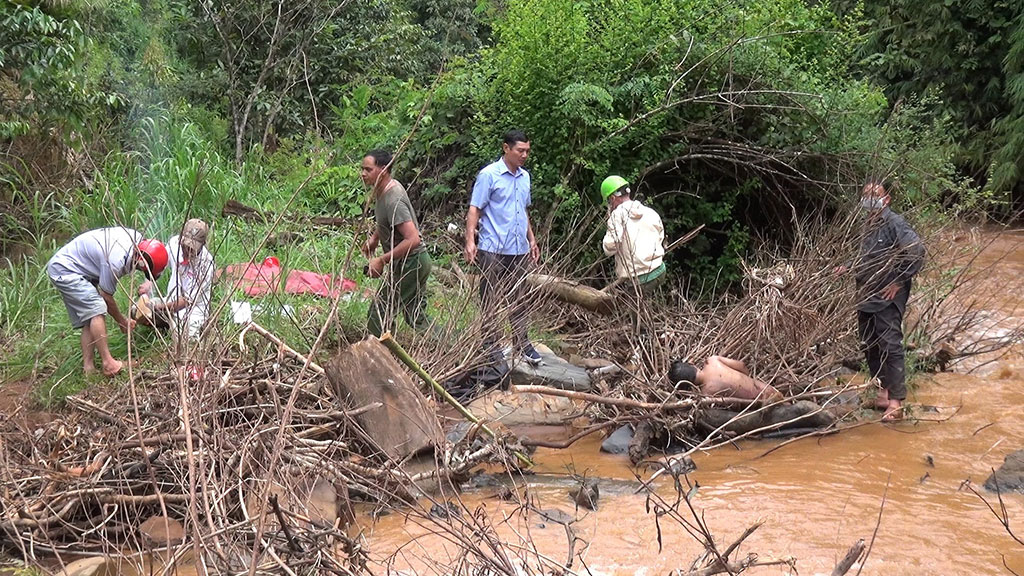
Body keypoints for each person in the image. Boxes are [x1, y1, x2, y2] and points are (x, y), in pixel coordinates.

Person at [464, 130, 542, 365]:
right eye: (520, 151)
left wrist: (531, 239)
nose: (524, 155)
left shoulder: (525, 177)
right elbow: (475, 209)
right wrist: (470, 241)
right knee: (489, 297)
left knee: (519, 297)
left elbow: (522, 210)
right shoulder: (489, 175)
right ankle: (489, 344)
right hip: (492, 246)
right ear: (506, 148)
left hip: (518, 249)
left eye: (527, 151)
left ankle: (523, 343)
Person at [46, 227, 168, 377]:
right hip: (66, 270)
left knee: (89, 318)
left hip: (76, 265)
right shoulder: (115, 261)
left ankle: (88, 368)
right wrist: (122, 321)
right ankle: (109, 364)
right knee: (97, 308)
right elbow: (106, 296)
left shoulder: (138, 241)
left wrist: (148, 282)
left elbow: (149, 258)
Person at [851, 181, 925, 421]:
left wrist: (899, 281)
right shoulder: (865, 225)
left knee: (890, 344)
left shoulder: (895, 223)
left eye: (875, 195)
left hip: (887, 296)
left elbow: (916, 250)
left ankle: (896, 402)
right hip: (865, 294)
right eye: (866, 195)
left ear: (887, 199)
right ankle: (883, 393)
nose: (870, 199)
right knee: (868, 342)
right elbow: (864, 257)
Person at [361, 149, 434, 337]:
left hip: (412, 262)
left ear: (383, 169)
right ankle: (454, 348)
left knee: (378, 315)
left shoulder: (393, 198)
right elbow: (389, 221)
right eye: (362, 169)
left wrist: (382, 260)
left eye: (368, 169)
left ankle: (378, 358)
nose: (363, 174)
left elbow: (413, 238)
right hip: (410, 262)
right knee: (416, 317)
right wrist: (375, 239)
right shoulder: (382, 190)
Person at [136, 218, 215, 342]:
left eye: (192, 249)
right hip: (171, 300)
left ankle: (174, 326)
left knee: (185, 340)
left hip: (193, 310)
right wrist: (148, 282)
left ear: (202, 245)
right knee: (136, 311)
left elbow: (186, 301)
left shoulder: (206, 264)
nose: (187, 251)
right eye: (185, 246)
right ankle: (166, 325)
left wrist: (157, 308)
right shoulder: (174, 244)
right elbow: (160, 264)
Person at [669, 356, 783, 401]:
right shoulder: (713, 361)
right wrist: (747, 380)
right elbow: (742, 365)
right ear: (692, 366)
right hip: (768, 390)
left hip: (760, 406)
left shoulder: (707, 393)